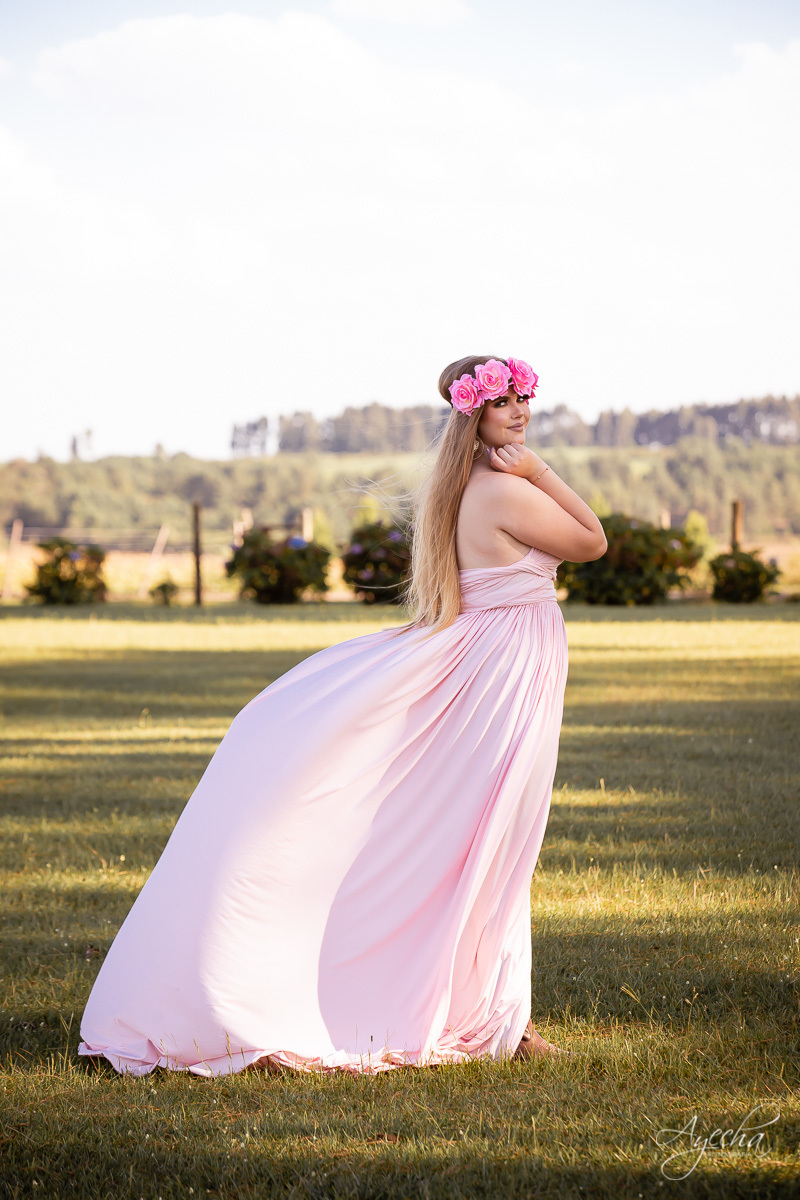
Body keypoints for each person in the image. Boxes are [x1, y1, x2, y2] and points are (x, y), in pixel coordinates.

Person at [78, 354, 607, 1077]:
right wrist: (541, 470)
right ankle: (491, 1017)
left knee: (496, 840)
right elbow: (592, 540)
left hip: (508, 661)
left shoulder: (464, 487)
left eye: (524, 400)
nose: (518, 412)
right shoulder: (501, 490)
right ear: (472, 415)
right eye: (502, 403)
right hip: (502, 668)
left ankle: (497, 1012)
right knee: (494, 839)